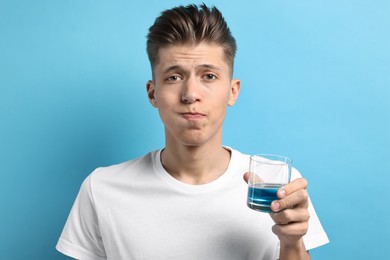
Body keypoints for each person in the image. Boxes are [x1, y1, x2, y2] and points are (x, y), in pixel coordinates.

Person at [56, 4, 329, 260]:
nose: (190, 94)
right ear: (153, 93)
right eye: (174, 77)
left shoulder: (279, 185)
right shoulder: (102, 188)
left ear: (232, 91)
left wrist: (292, 242)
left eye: (208, 76)